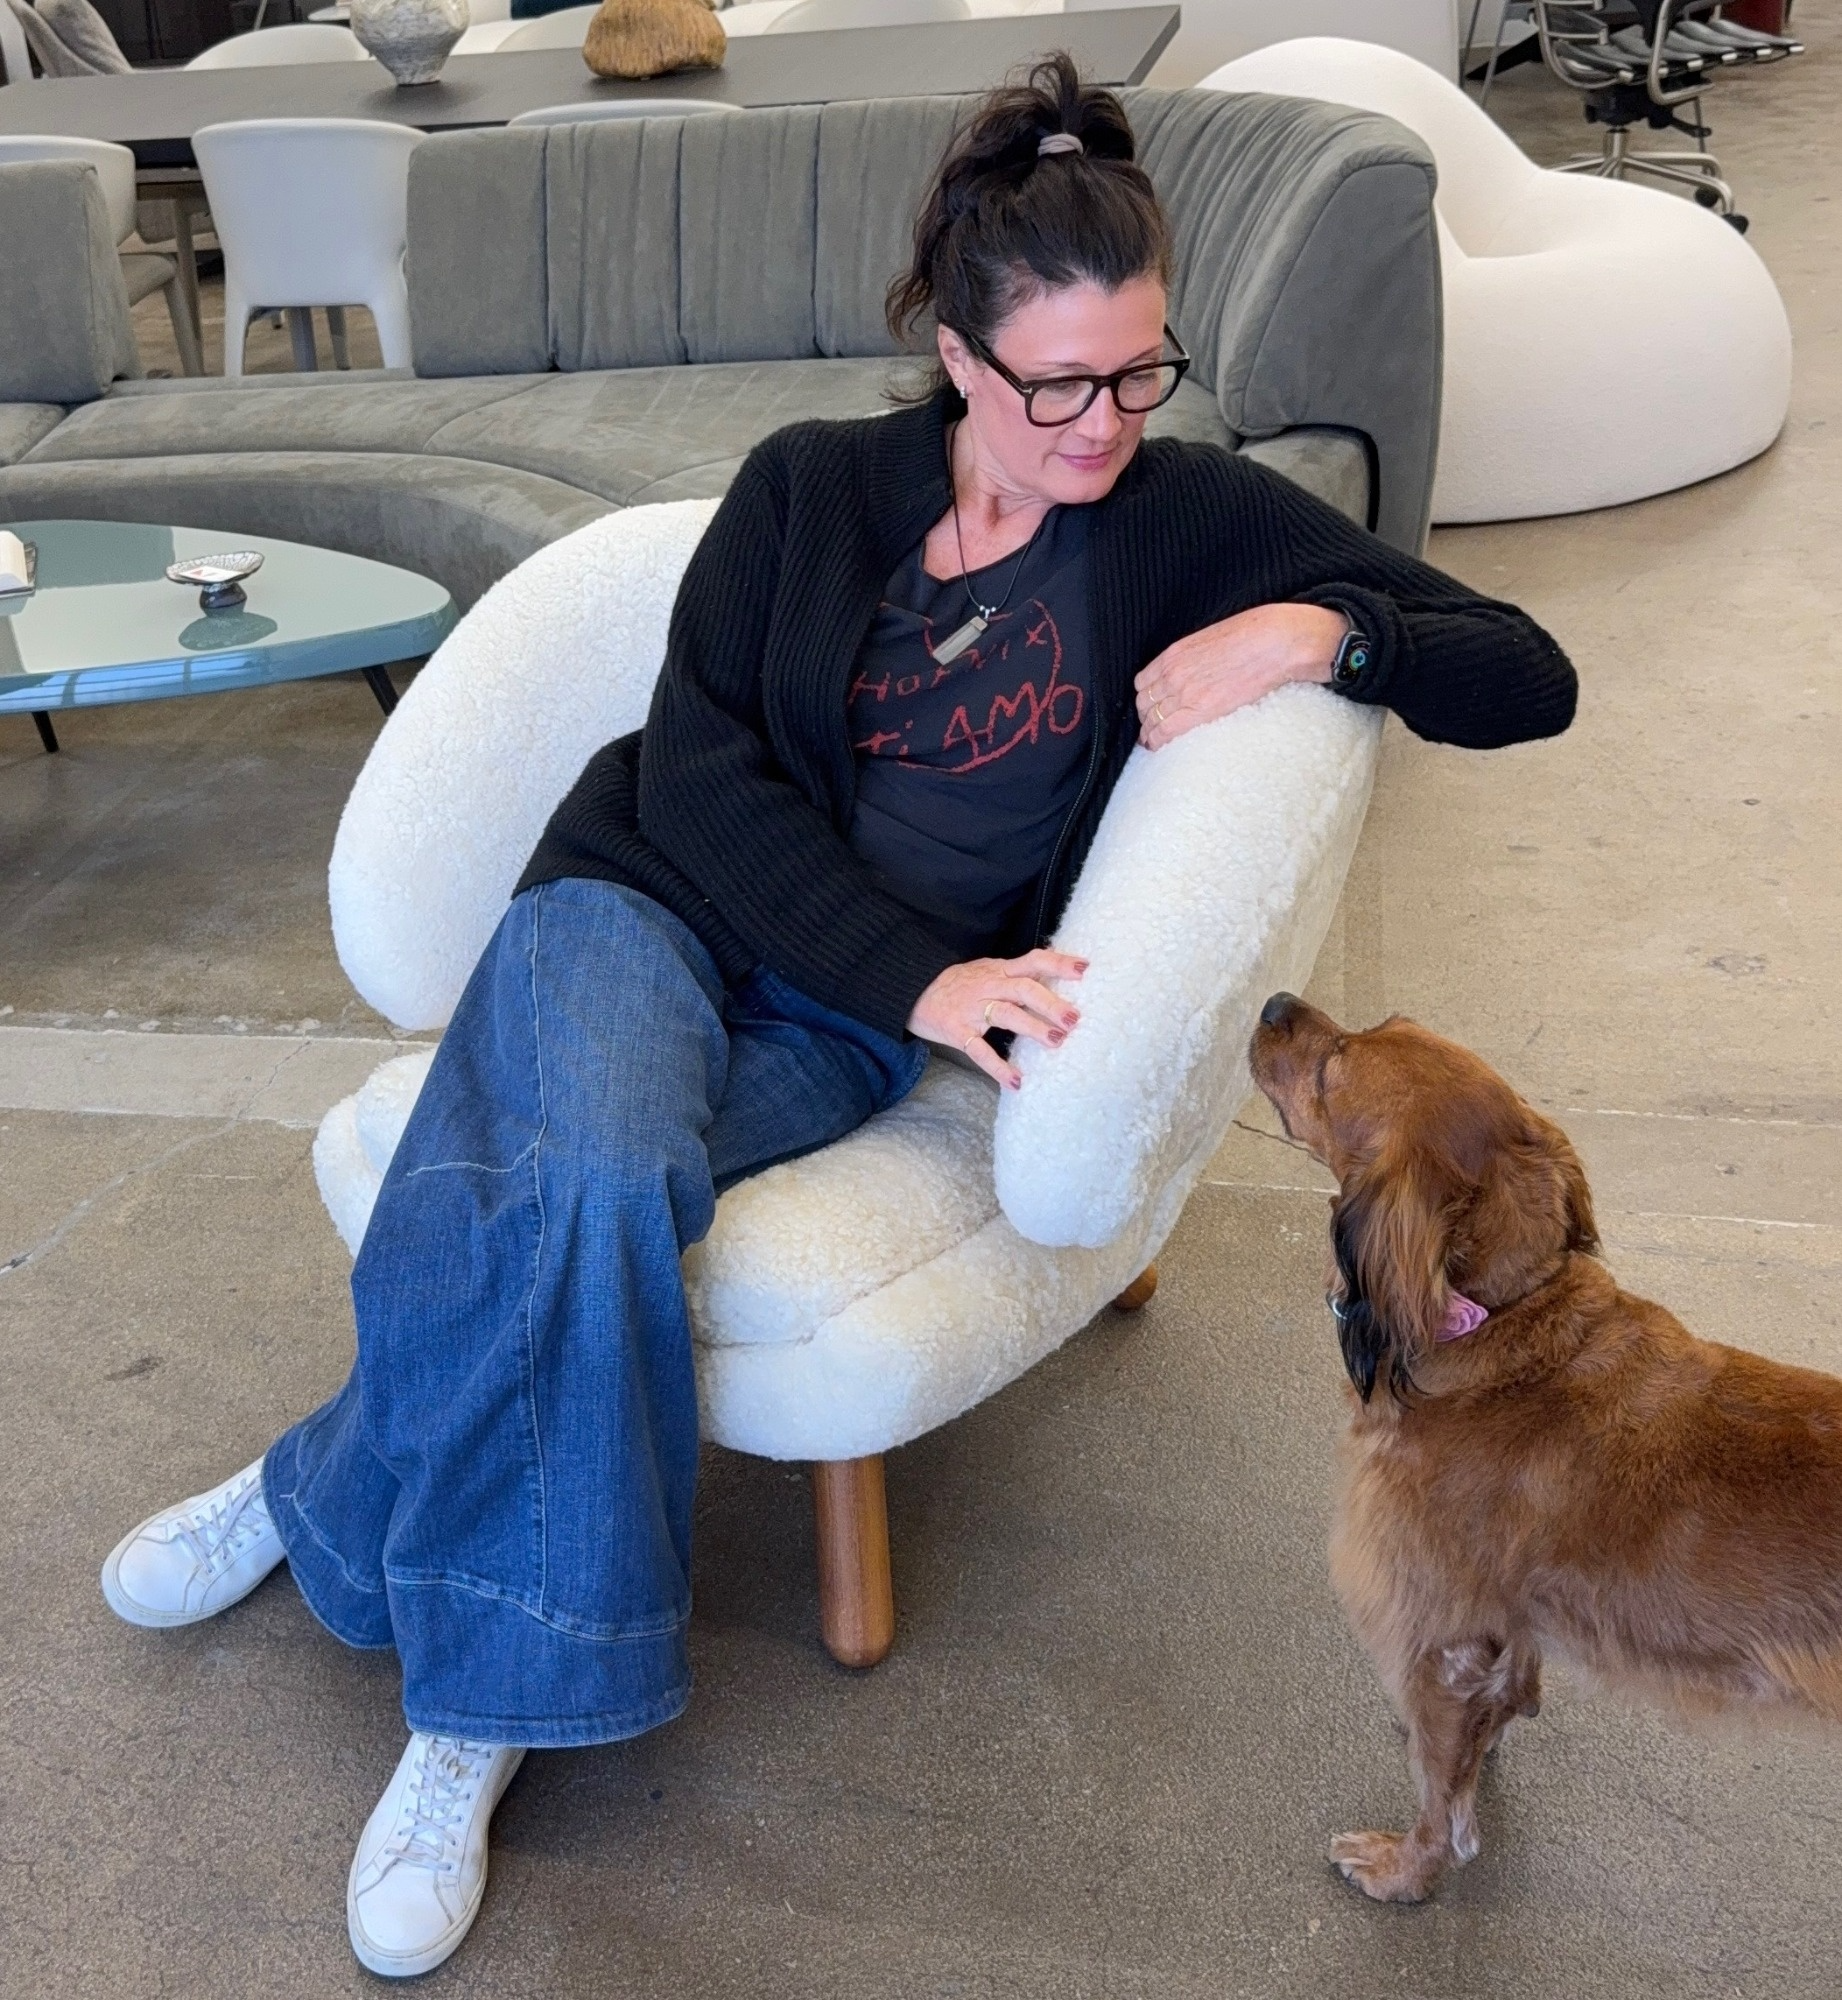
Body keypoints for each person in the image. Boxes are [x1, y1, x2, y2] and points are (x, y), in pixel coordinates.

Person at [97, 54, 1577, 1977]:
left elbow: (1521, 671)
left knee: (565, 1189)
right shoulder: (807, 490)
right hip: (639, 904)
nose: (1103, 423)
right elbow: (704, 780)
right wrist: (925, 973)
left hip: (838, 1021)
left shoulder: (1178, 514)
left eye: (1140, 374)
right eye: (1057, 383)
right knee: (588, 1160)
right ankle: (473, 1702)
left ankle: (332, 1498)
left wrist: (1327, 627)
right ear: (957, 354)